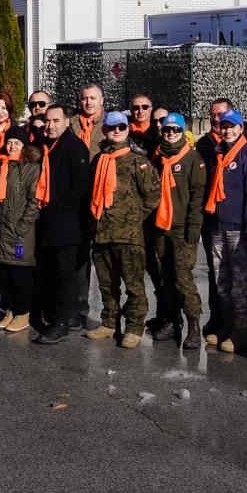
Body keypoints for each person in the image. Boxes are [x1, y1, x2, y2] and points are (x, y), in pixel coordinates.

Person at [86, 111, 158, 348]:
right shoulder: (99, 160)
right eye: (111, 127)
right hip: (102, 233)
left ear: (127, 130)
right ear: (104, 130)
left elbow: (153, 196)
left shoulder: (138, 161)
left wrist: (134, 218)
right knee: (106, 284)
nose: (116, 131)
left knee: (134, 285)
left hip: (129, 236)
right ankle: (109, 323)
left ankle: (134, 327)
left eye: (121, 127)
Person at [201, 109, 247, 353]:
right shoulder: (218, 154)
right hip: (218, 227)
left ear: (241, 128)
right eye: (224, 126)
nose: (227, 130)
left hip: (239, 231)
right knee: (221, 281)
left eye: (232, 126)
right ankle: (226, 325)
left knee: (241, 285)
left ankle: (241, 330)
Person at [33, 105, 93, 344]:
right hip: (49, 220)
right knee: (53, 271)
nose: (50, 125)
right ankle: (65, 315)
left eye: (56, 121)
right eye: (48, 121)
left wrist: (58, 208)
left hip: (67, 222)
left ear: (67, 122)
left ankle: (62, 322)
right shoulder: (46, 145)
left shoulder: (74, 146)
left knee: (65, 273)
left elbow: (80, 186)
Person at [147, 113, 207, 348]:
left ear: (183, 132)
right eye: (167, 130)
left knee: (183, 280)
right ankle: (173, 321)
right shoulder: (157, 157)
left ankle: (194, 325)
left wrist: (194, 228)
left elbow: (197, 197)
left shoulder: (193, 158)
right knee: (165, 278)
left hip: (181, 229)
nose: (171, 133)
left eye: (175, 129)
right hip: (160, 226)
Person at [0, 139, 42, 334]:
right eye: (9, 142)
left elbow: (34, 201)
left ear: (25, 146)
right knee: (4, 275)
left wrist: (22, 226)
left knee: (20, 274)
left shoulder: (31, 168)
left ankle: (23, 312)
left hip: (19, 232)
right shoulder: (0, 165)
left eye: (17, 143)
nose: (12, 146)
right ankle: (11, 309)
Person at [195, 97, 234, 339]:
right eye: (212, 114)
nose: (216, 119)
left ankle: (236, 323)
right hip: (211, 216)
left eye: (220, 114)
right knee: (214, 270)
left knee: (236, 273)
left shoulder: (240, 143)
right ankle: (217, 317)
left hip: (234, 217)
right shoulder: (204, 144)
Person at [72, 84, 105, 156]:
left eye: (92, 98)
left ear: (101, 100)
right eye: (84, 98)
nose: (88, 102)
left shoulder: (110, 123)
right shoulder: (71, 123)